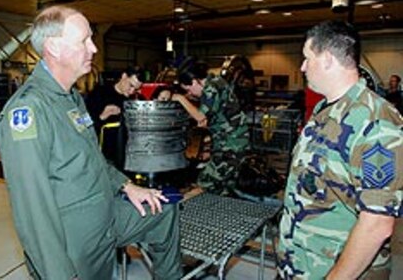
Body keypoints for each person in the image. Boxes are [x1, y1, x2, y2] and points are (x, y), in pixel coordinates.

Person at [0, 5, 181, 280]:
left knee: (164, 210)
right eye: (84, 40)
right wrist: (59, 274)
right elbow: (32, 210)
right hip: (75, 237)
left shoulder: (72, 99)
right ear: (54, 48)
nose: (94, 48)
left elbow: (92, 159)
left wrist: (127, 185)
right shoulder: (29, 111)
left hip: (106, 213)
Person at [277, 20, 403, 279]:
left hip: (335, 270)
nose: (302, 67)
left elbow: (377, 224)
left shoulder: (376, 121)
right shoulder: (326, 110)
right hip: (301, 263)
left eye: (306, 58)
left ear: (327, 59)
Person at [172, 57, 250, 195]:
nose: (189, 93)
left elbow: (201, 118)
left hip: (232, 145)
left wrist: (180, 98)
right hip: (231, 142)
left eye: (189, 88)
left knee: (206, 181)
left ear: (195, 81)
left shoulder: (211, 89)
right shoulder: (215, 81)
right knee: (226, 186)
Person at [86, 68, 142, 170]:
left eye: (136, 89)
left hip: (126, 156)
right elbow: (82, 124)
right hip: (102, 156)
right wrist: (102, 116)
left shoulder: (134, 101)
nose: (132, 91)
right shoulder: (98, 94)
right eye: (131, 85)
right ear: (124, 76)